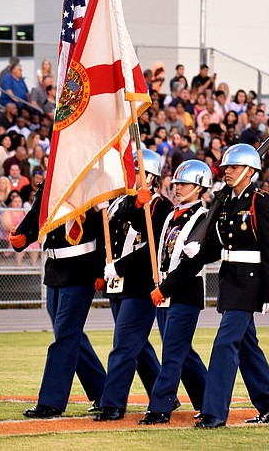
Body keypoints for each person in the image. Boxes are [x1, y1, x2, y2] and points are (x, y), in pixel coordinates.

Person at [192, 144, 269, 429]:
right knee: (247, 347)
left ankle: (214, 411)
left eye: (233, 167)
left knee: (225, 344)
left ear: (249, 171)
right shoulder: (226, 202)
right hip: (230, 279)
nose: (227, 172)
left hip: (249, 283)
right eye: (226, 168)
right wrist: (196, 247)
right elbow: (220, 242)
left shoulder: (260, 201)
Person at [10, 195, 107, 419]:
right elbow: (39, 212)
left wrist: (101, 268)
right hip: (54, 266)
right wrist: (23, 237)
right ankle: (103, 391)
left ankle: (51, 401)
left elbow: (104, 226)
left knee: (65, 336)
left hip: (82, 267)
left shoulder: (89, 182)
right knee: (70, 335)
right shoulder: (53, 180)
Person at [94, 150, 169, 422]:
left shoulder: (161, 208)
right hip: (118, 284)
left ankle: (113, 404)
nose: (131, 179)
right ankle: (163, 395)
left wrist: (121, 267)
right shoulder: (121, 204)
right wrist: (104, 269)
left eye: (136, 174)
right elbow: (109, 239)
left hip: (140, 285)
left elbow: (154, 247)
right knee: (137, 345)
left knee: (123, 345)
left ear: (151, 177)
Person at [139, 159, 212, 425]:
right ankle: (209, 400)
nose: (178, 187)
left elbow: (192, 265)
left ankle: (159, 408)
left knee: (171, 352)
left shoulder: (203, 218)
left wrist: (164, 288)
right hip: (164, 292)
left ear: (200, 187)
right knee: (182, 352)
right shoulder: (171, 215)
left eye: (185, 183)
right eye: (177, 182)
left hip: (185, 292)